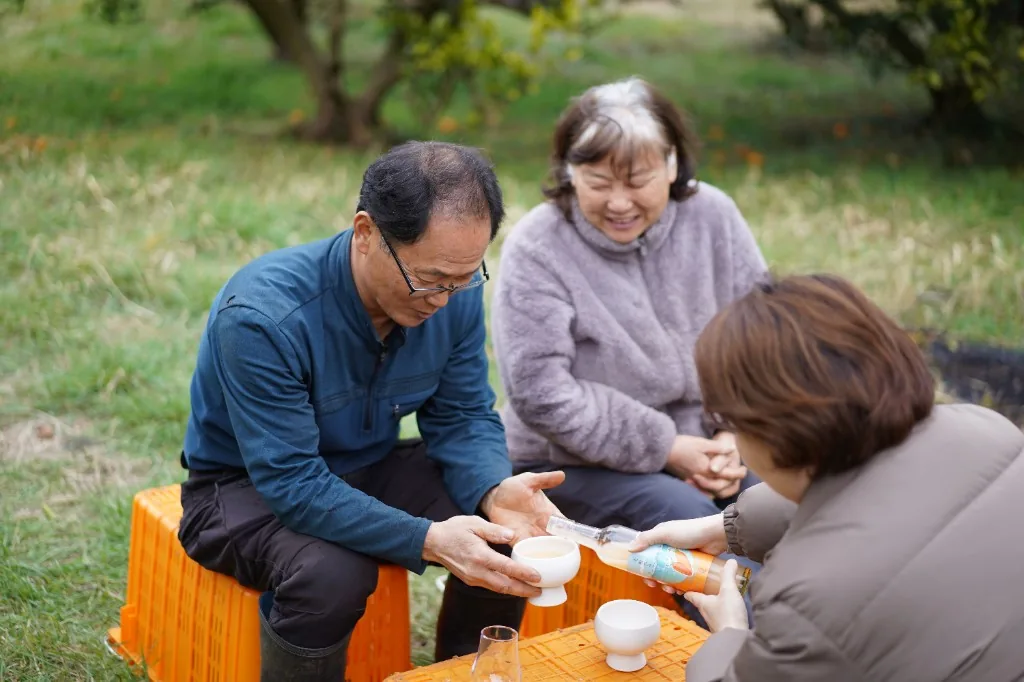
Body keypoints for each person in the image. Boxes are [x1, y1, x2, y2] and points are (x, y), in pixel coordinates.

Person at [176, 141, 564, 682]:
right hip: (243, 491)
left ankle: (466, 672)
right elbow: (292, 483)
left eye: (462, 279)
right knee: (332, 573)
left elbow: (462, 416)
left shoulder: (450, 293)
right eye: (428, 279)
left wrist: (494, 490)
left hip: (367, 466)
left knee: (505, 527)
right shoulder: (265, 317)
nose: (442, 300)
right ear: (365, 233)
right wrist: (429, 539)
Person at [632, 273, 1024, 682]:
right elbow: (875, 498)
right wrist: (723, 528)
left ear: (773, 435)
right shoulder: (987, 430)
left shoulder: (810, 602)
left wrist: (731, 629)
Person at [490, 77, 766, 623]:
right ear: (569, 172)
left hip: (717, 441)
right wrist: (668, 447)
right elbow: (541, 393)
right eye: (597, 182)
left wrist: (737, 434)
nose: (619, 203)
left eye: (637, 180)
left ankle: (815, 637)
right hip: (569, 461)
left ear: (671, 164)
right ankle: (740, 655)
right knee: (684, 518)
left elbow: (760, 334)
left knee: (788, 493)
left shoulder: (713, 216)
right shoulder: (538, 245)